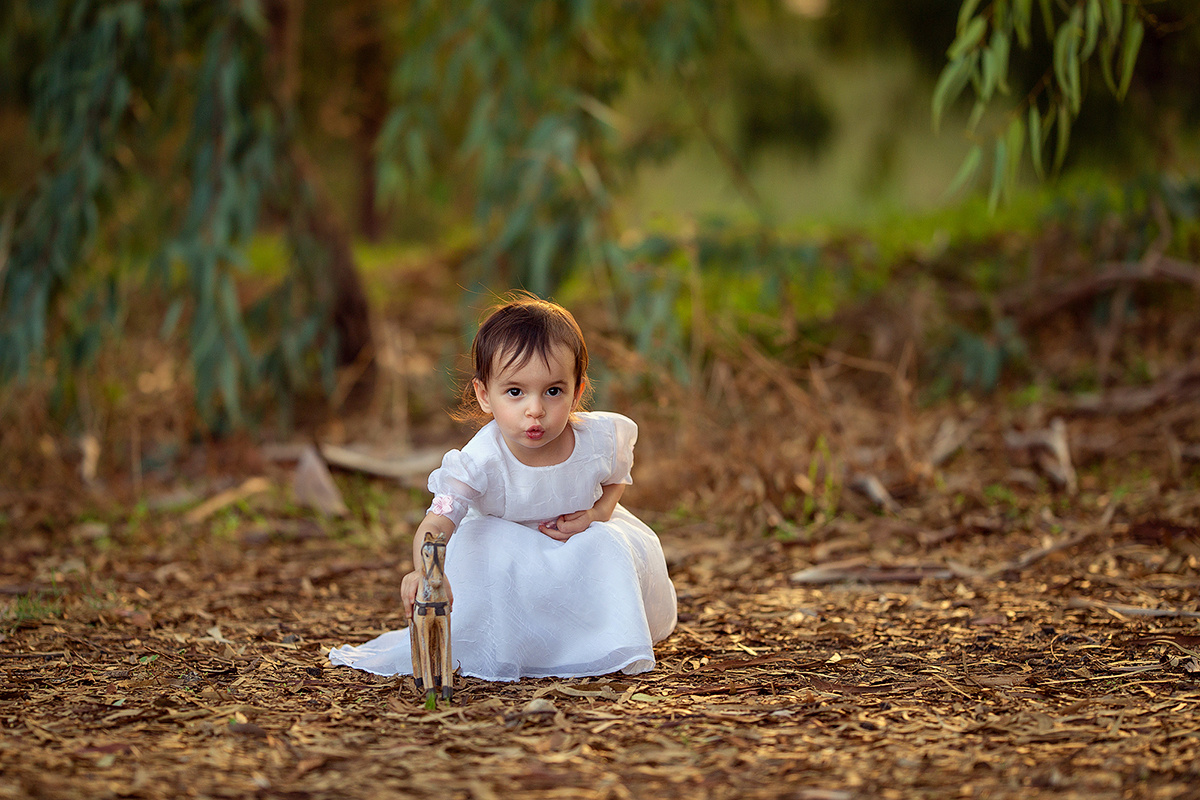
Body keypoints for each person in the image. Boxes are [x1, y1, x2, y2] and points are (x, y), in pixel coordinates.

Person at [328, 294, 677, 681]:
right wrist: (425, 571)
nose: (535, 410)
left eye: (553, 391)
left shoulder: (598, 438)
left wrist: (598, 513)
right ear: (484, 395)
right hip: (509, 557)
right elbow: (437, 521)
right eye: (515, 392)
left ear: (577, 391)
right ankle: (517, 643)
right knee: (487, 550)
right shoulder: (480, 461)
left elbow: (616, 479)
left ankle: (598, 641)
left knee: (608, 544)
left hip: (574, 543)